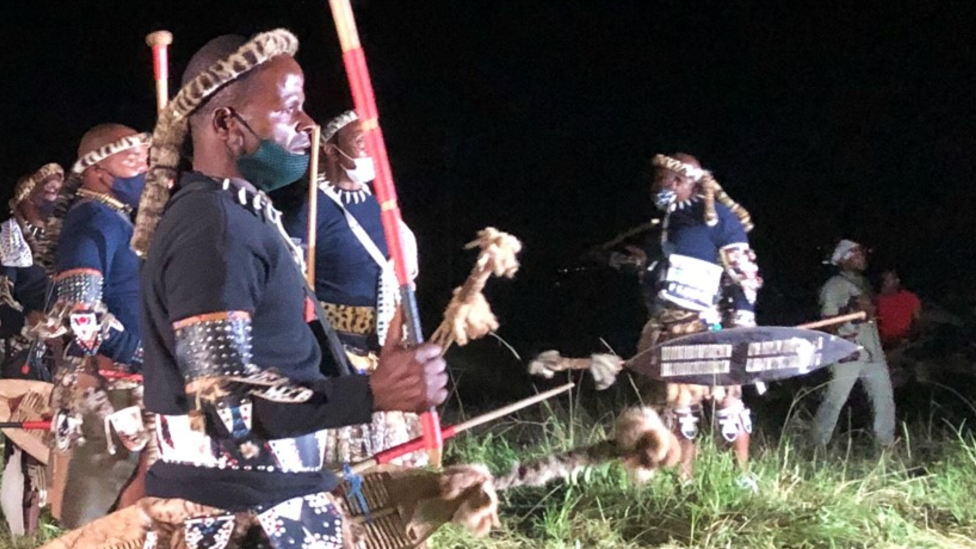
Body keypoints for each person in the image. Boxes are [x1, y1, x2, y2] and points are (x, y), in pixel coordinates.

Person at [130, 30, 448, 546]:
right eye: (289, 109)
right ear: (226, 124)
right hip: (236, 517)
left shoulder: (237, 213)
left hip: (264, 499)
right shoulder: (213, 228)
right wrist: (370, 392)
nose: (308, 125)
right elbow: (225, 401)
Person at [281, 110, 423, 466]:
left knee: (388, 458)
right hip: (336, 352)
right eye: (361, 141)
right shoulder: (313, 211)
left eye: (375, 142)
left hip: (382, 347)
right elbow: (294, 285)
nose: (371, 151)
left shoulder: (380, 204)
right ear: (329, 150)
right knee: (344, 460)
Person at [37, 124, 151, 528]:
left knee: (138, 503)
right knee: (96, 510)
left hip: (134, 380)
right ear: (98, 169)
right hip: (111, 385)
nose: (145, 169)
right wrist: (144, 353)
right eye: (132, 159)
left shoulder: (117, 219)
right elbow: (82, 315)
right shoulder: (93, 220)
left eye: (146, 157)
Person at [631, 153, 762, 478]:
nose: (656, 185)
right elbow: (659, 278)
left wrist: (741, 322)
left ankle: (742, 477)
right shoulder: (665, 226)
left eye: (661, 177)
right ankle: (684, 480)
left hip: (708, 323)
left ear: (681, 180)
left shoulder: (719, 218)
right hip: (668, 327)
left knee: (726, 400)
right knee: (680, 406)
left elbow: (743, 275)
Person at [0, 163, 62, 535]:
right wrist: (29, 322)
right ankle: (21, 529)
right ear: (24, 195)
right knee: (24, 437)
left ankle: (34, 525)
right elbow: (3, 297)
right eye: (46, 188)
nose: (53, 193)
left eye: (58, 188)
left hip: (55, 349)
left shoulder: (58, 239)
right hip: (17, 348)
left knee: (46, 437)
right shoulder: (8, 236)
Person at [813, 239, 895, 447]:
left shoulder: (863, 284)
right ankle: (816, 445)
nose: (863, 257)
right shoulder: (834, 286)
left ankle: (886, 446)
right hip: (848, 353)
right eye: (858, 253)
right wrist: (848, 312)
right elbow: (827, 323)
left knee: (884, 401)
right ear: (845, 258)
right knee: (834, 400)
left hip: (872, 351)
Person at [876, 268, 921, 347]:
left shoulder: (910, 298)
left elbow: (917, 321)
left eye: (896, 278)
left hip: (906, 343)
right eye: (892, 279)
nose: (897, 280)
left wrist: (908, 338)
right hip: (884, 344)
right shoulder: (875, 301)